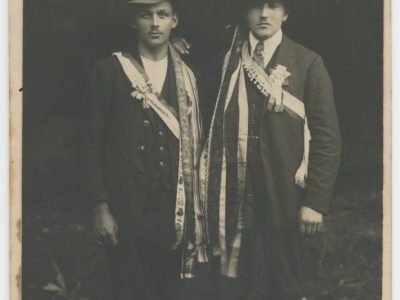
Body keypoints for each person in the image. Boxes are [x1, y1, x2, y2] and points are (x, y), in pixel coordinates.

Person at [199, 0, 342, 299]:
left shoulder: (308, 62)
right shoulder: (224, 59)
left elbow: (326, 137)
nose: (264, 14)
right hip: (231, 195)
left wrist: (315, 201)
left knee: (285, 286)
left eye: (273, 5)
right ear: (244, 11)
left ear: (286, 13)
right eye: (255, 5)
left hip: (284, 197)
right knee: (230, 287)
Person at [80, 0, 208, 299]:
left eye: (162, 15)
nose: (154, 23)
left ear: (174, 21)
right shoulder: (108, 71)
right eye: (145, 15)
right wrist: (100, 206)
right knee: (130, 289)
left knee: (171, 289)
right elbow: (89, 144)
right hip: (127, 209)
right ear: (132, 21)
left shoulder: (189, 74)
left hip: (174, 207)